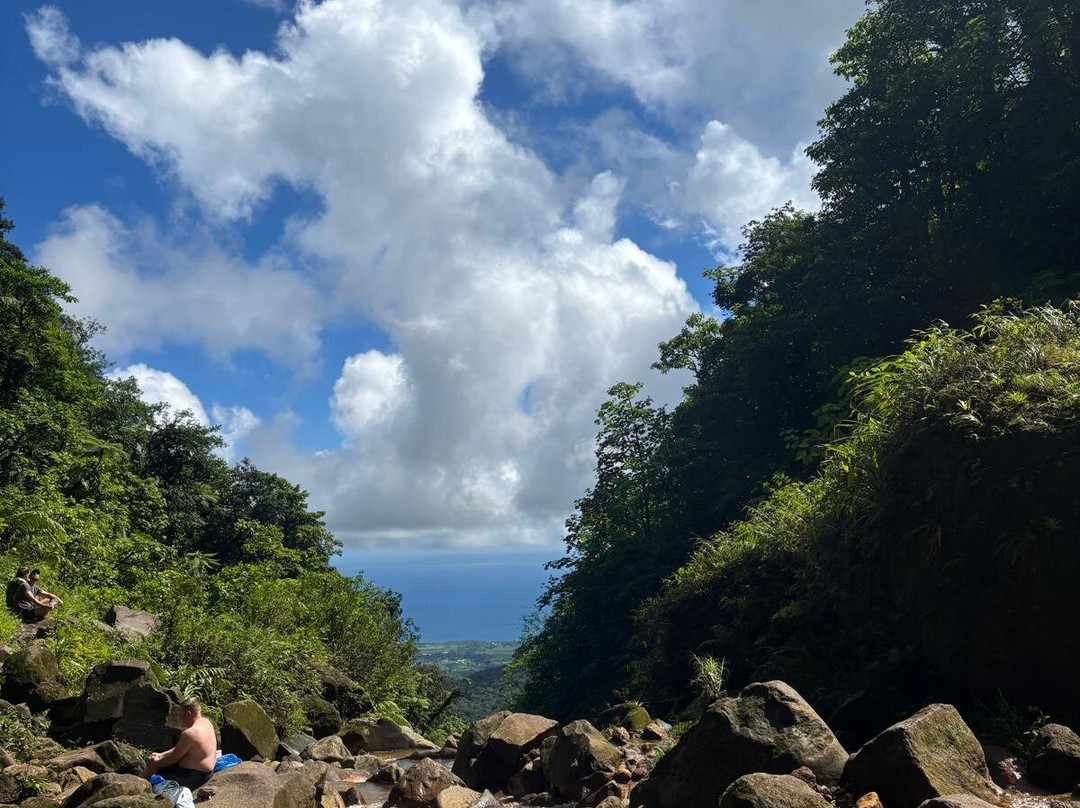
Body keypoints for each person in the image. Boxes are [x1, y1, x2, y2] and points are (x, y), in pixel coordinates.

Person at [142, 697, 217, 790]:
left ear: (188, 714)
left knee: (153, 767)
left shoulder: (190, 733)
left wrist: (155, 763)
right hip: (206, 771)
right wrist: (161, 755)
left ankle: (137, 788)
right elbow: (180, 748)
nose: (180, 718)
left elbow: (172, 759)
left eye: (181, 715)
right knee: (156, 762)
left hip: (194, 776)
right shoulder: (207, 722)